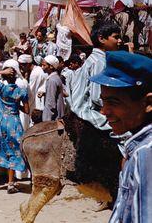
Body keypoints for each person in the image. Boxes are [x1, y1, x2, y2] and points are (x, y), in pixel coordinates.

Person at [89, 51, 152, 223]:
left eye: (113, 102)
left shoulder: (145, 154)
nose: (104, 111)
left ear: (148, 104)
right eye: (103, 102)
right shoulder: (136, 150)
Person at [0, 60, 29, 194]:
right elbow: (26, 110)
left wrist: (1, 71)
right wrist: (15, 105)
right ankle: (10, 183)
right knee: (13, 151)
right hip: (14, 122)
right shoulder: (22, 92)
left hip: (0, 122)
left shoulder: (1, 88)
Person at [68, 21, 122, 130]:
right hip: (89, 111)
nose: (120, 41)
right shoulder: (99, 62)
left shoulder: (97, 59)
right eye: (116, 37)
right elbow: (97, 96)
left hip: (88, 107)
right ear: (101, 39)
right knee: (127, 134)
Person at [18, 54, 46, 125]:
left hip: (37, 104)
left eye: (22, 65)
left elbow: (31, 93)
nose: (20, 67)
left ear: (27, 64)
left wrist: (24, 107)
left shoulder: (35, 74)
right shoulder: (36, 70)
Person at [41, 55, 65, 121]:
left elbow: (51, 103)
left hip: (53, 119)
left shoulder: (52, 80)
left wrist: (47, 120)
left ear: (51, 66)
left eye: (44, 65)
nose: (42, 67)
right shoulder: (55, 78)